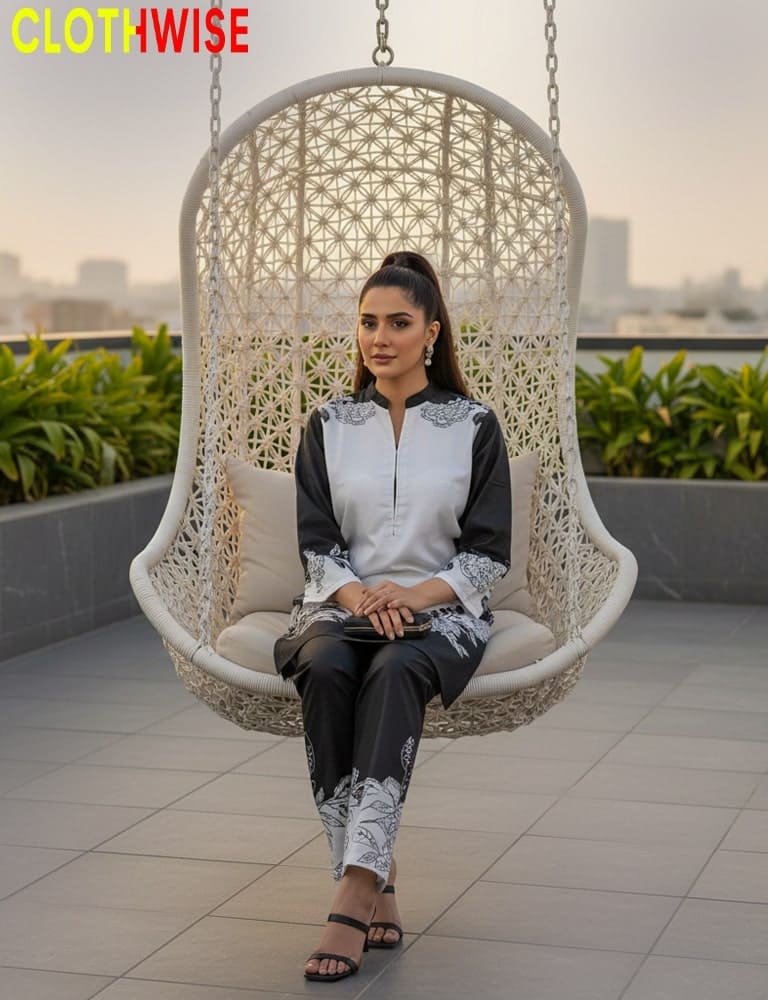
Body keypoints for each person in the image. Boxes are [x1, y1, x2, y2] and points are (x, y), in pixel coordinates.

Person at [273, 250, 512, 982]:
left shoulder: (475, 425)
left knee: (398, 666)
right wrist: (361, 597)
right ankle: (375, 872)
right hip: (339, 605)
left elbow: (488, 553)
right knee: (324, 665)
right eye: (368, 322)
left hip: (441, 613)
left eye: (399, 323)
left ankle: (353, 892)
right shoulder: (329, 423)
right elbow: (317, 543)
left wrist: (414, 597)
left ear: (431, 333)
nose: (379, 338)